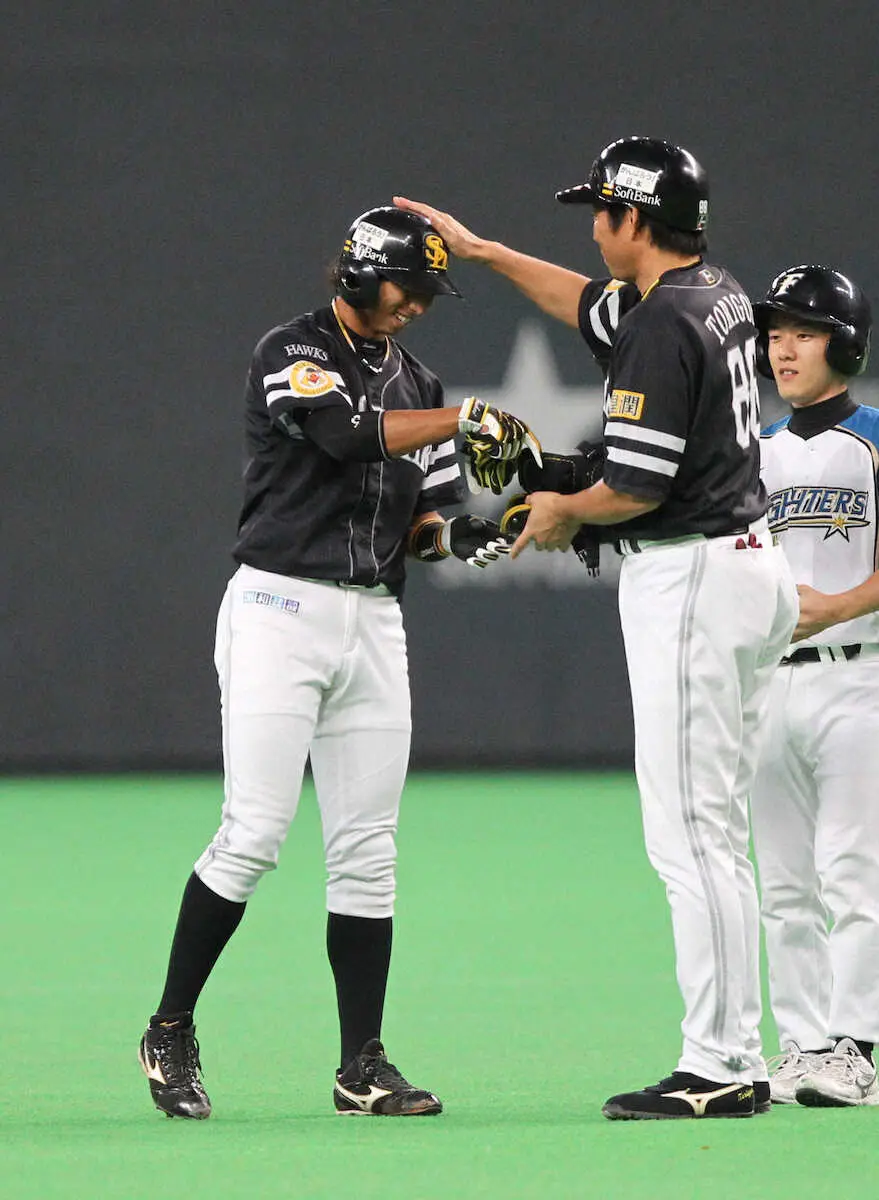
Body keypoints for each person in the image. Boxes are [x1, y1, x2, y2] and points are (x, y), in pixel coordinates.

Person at [396, 135, 799, 1120]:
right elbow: (582, 303)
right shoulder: (714, 291)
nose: (592, 224)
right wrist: (484, 251)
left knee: (691, 835)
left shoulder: (668, 323)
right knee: (719, 829)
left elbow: (636, 484)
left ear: (633, 221)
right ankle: (735, 1052)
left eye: (601, 210)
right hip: (746, 568)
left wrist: (560, 508)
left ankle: (717, 1066)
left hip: (695, 576)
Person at [137, 205, 538, 1120]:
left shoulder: (422, 377)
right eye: (411, 287)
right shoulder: (291, 348)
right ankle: (168, 1027)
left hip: (373, 622)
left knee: (367, 853)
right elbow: (344, 434)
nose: (420, 307)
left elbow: (425, 527)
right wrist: (464, 417)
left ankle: (362, 1064)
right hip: (279, 609)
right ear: (360, 272)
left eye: (431, 293)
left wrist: (477, 533)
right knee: (253, 836)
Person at [750, 265, 879, 1108]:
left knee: (852, 869)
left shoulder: (872, 438)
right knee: (783, 883)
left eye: (801, 329)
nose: (782, 346)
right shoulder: (752, 451)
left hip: (858, 678)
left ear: (845, 340)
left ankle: (857, 1045)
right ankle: (799, 1045)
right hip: (765, 686)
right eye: (773, 332)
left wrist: (836, 606)